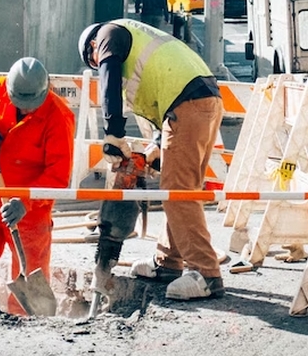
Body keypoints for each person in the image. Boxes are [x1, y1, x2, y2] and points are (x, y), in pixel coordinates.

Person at [77, 19, 225, 300]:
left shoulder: (108, 33)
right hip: (200, 100)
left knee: (178, 191)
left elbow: (108, 77)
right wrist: (158, 144)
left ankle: (206, 274)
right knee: (179, 187)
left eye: (95, 61)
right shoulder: (139, 39)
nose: (99, 65)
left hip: (189, 103)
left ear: (93, 46)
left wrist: (114, 134)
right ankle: (168, 262)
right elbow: (163, 87)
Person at [0, 57, 76, 314]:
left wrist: (25, 202)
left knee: (29, 271)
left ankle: (24, 326)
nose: (25, 108)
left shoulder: (58, 117)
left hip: (30, 212)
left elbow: (58, 176)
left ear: (44, 91)